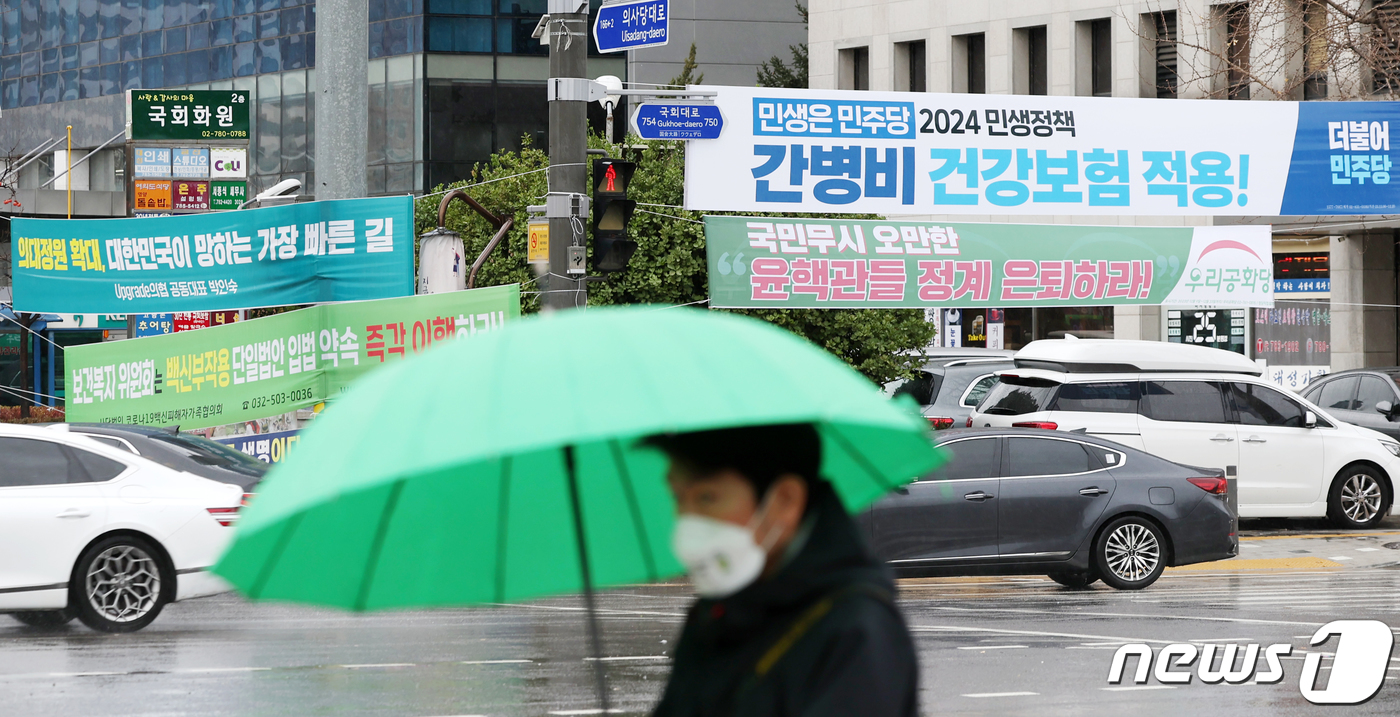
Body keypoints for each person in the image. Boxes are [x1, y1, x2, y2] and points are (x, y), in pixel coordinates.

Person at [645, 423, 919, 717]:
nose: (687, 523)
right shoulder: (715, 614)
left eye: (707, 498)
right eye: (678, 498)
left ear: (785, 501)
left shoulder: (855, 630)